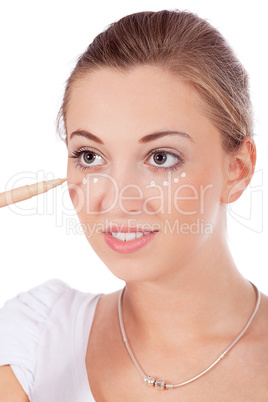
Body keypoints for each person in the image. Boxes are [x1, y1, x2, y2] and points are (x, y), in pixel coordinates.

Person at [0, 9, 267, 401]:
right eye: (90, 156)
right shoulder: (33, 340)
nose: (118, 199)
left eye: (161, 157)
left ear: (238, 170)